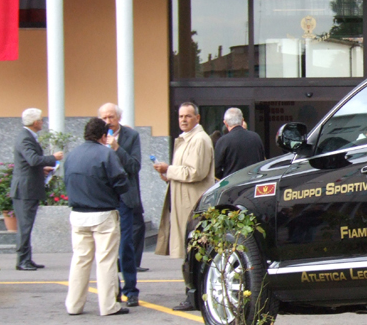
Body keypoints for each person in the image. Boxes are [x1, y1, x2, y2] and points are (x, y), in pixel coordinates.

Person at [63, 117, 131, 316]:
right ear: (104, 136)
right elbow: (121, 182)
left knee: (80, 260)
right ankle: (109, 305)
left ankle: (74, 305)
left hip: (77, 214)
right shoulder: (106, 154)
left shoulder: (72, 155)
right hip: (102, 213)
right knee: (106, 260)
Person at [153, 101, 215, 310]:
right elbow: (184, 171)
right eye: (181, 116)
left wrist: (169, 169)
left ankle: (195, 295)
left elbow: (196, 172)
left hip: (193, 205)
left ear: (197, 118)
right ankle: (193, 294)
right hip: (183, 203)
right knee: (190, 251)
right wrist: (169, 175)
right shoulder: (186, 139)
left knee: (195, 250)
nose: (183, 120)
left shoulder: (199, 140)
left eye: (188, 116)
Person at [98, 102, 143, 306]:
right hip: (105, 198)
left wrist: (118, 149)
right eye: (104, 118)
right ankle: (112, 289)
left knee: (126, 245)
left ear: (118, 118)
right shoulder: (96, 137)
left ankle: (131, 289)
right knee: (107, 247)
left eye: (111, 117)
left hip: (125, 198)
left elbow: (134, 166)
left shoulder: (131, 136)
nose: (108, 122)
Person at [10, 108, 64, 271]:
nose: (42, 122)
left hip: (28, 187)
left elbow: (28, 164)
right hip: (25, 190)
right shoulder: (25, 138)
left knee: (27, 225)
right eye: (41, 119)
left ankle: (27, 258)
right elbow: (33, 160)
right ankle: (22, 260)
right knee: (25, 226)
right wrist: (53, 158)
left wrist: (42, 170)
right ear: (35, 122)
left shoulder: (27, 137)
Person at [214, 107, 266, 179]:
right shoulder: (256, 137)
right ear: (242, 121)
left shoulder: (223, 141)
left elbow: (216, 170)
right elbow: (262, 163)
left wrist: (226, 178)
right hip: (253, 182)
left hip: (232, 184)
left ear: (225, 123)